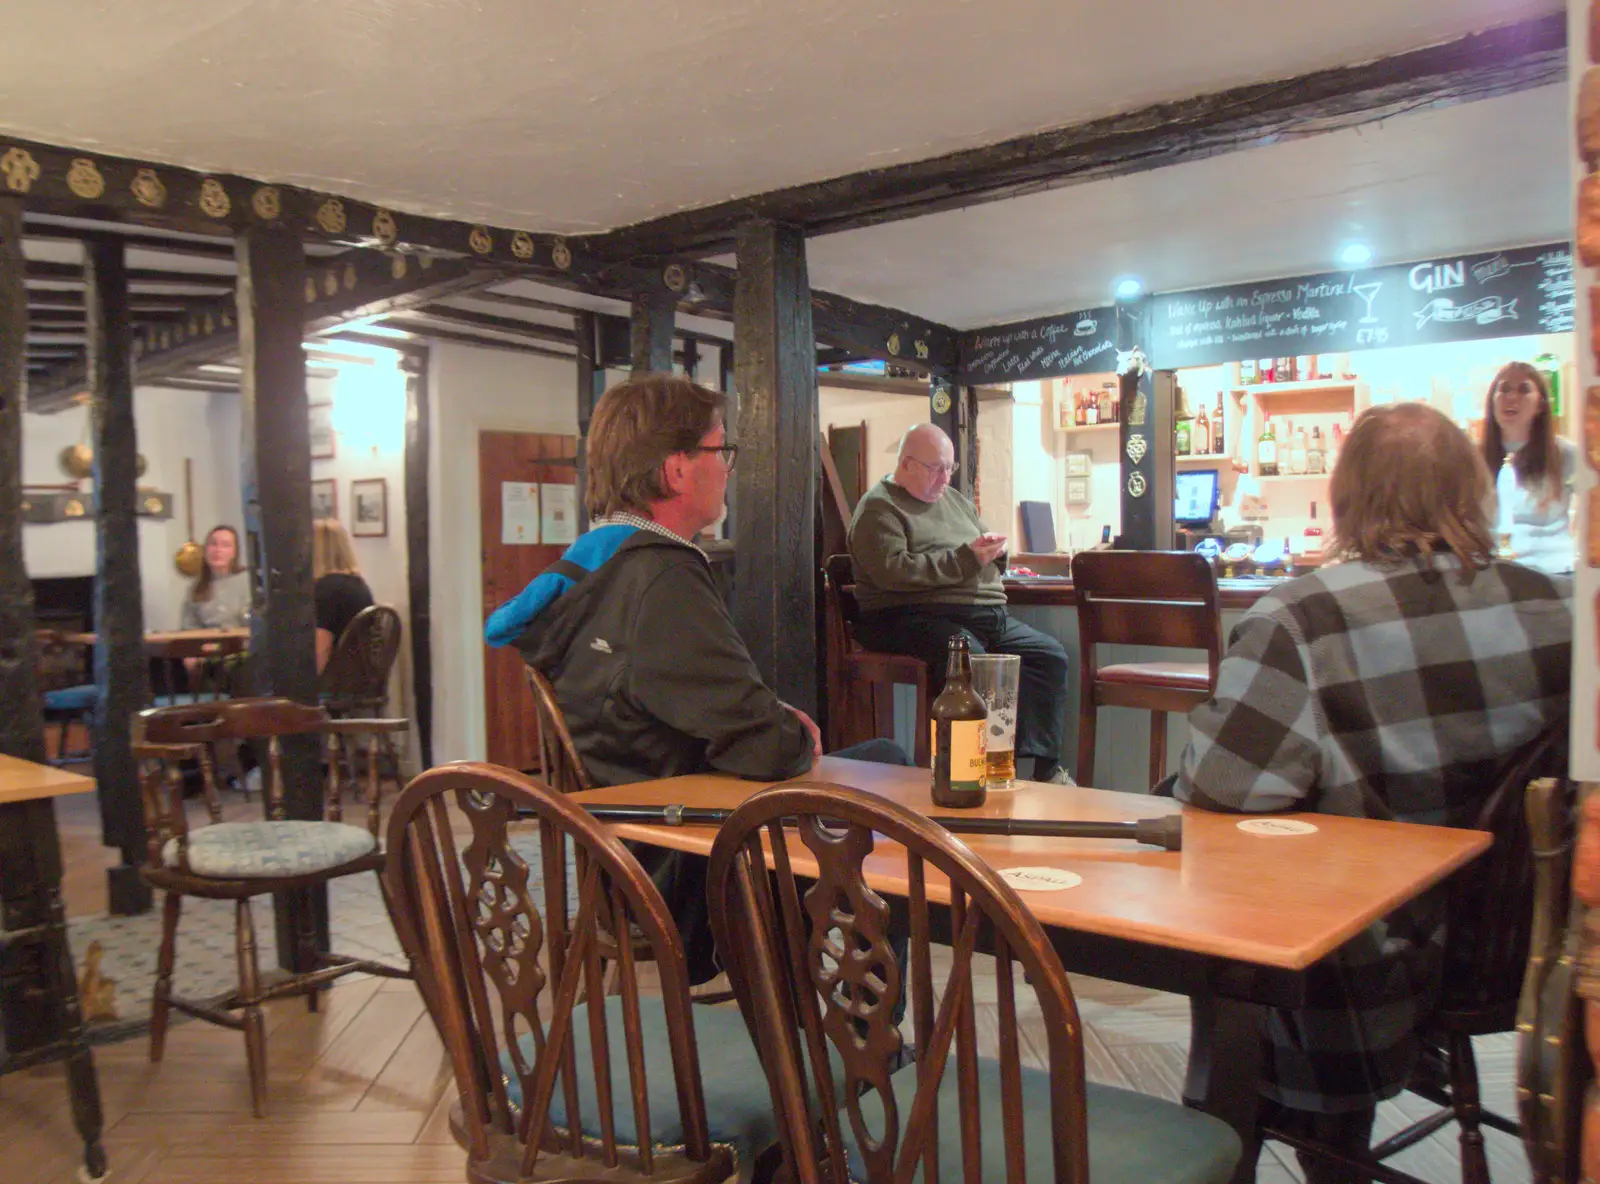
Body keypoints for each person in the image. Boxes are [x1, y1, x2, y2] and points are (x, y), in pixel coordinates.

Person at [1166, 403, 1571, 1182]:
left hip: (1360, 967)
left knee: (1229, 887)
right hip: (1523, 951)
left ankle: (1305, 1143)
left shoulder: (1300, 619)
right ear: (1474, 491)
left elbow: (1223, 791)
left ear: (1347, 500)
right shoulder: (1564, 610)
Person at [485, 373, 907, 982]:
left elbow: (687, 709)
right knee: (886, 769)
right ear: (677, 469)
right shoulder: (660, 580)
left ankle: (813, 1025)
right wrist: (789, 731)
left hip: (619, 854)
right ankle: (859, 1049)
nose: (728, 466)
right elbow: (766, 747)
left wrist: (770, 723)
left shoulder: (590, 573)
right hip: (685, 873)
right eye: (720, 449)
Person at [847, 422, 1071, 783]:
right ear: (906, 464)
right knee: (971, 660)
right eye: (936, 469)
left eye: (949, 468)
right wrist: (969, 559)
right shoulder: (879, 508)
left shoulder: (954, 501)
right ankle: (964, 773)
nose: (945, 479)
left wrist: (996, 552)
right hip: (910, 615)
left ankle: (1043, 770)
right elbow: (896, 572)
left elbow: (978, 545)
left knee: (1048, 656)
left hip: (984, 613)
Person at [1481, 360, 1577, 575]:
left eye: (1524, 390)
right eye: (1504, 389)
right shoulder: (1474, 458)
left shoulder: (1567, 454)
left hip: (1554, 574)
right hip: (1492, 576)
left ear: (1540, 405)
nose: (1511, 397)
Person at [312, 517, 373, 673]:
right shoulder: (359, 585)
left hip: (335, 683)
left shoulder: (324, 590)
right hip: (360, 678)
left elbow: (321, 650)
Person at [180, 525, 249, 629]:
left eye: (225, 545)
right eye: (213, 544)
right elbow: (188, 627)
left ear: (235, 552)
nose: (218, 550)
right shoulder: (196, 587)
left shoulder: (248, 581)